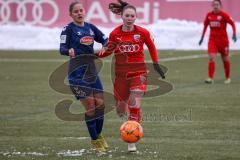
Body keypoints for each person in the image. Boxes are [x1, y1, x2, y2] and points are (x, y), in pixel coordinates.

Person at [97, 0, 165, 152]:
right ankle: (128, 122)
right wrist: (93, 55)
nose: (129, 18)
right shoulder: (115, 34)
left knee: (134, 105)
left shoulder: (142, 32)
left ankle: (131, 142)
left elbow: (152, 47)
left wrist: (156, 64)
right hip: (120, 76)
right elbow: (108, 51)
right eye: (127, 15)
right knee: (121, 109)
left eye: (132, 16)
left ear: (136, 17)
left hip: (139, 73)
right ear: (122, 16)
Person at [59, 1, 109, 152]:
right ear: (71, 14)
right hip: (77, 74)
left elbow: (105, 38)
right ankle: (95, 141)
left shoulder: (90, 27)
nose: (80, 13)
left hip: (92, 71)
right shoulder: (68, 29)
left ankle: (98, 135)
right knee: (91, 108)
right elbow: (62, 48)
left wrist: (105, 45)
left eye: (81, 10)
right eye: (76, 11)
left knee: (101, 106)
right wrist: (69, 52)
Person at [199, 0, 237, 84]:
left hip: (223, 41)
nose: (215, 6)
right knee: (211, 57)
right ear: (212, 6)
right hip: (212, 41)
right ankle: (210, 78)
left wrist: (234, 34)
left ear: (220, 6)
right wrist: (202, 37)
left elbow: (232, 23)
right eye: (214, 4)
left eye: (217, 4)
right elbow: (205, 26)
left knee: (225, 59)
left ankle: (227, 78)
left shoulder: (224, 15)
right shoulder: (209, 15)